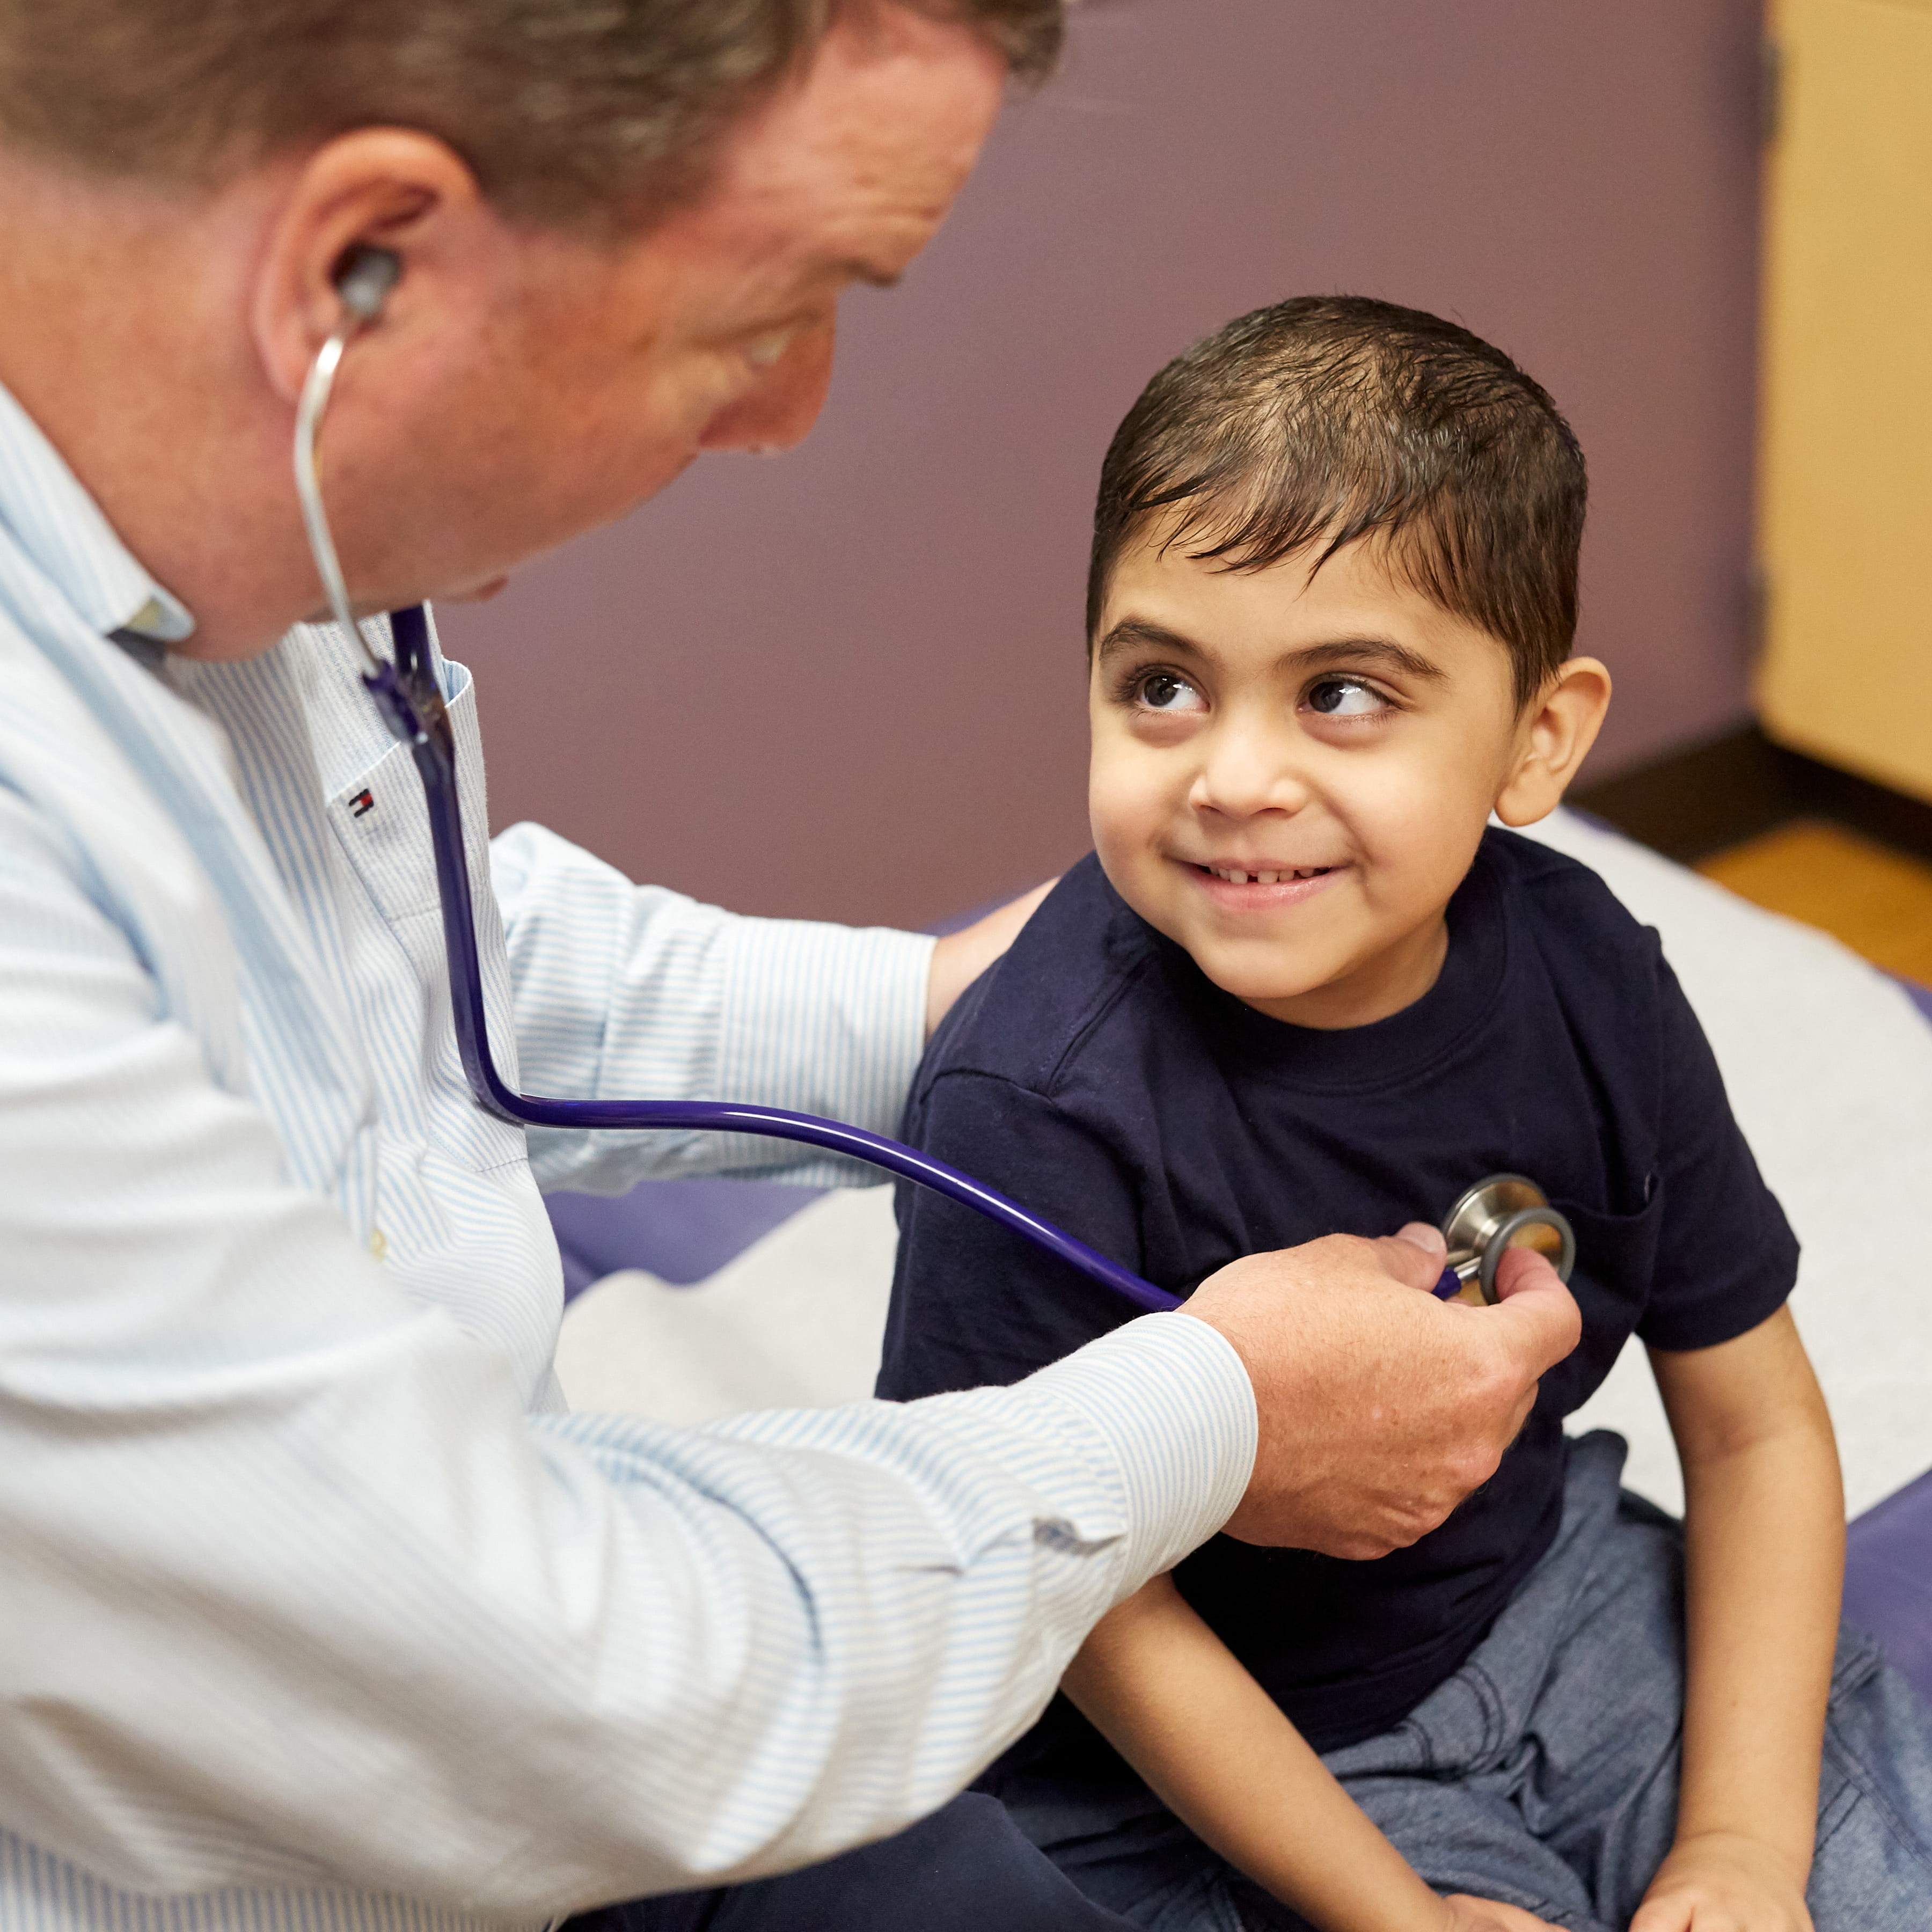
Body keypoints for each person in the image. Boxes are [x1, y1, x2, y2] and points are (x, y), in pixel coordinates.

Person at [0, 8, 1586, 1931]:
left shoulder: (211, 549)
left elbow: (408, 971)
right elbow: (568, 1698)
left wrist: (951, 1019)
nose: (793, 411)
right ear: (366, 261)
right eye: (776, 312)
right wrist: (1218, 1415)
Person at [878, 295, 1932, 1931]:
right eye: (1162, 685)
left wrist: (1739, 1846)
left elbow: (1757, 1425)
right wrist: (1402, 1915)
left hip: (1561, 1606)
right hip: (1204, 1762)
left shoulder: (1587, 971)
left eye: (1343, 695)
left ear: (1538, 739)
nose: (1232, 775)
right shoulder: (1035, 1106)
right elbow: (1085, 1607)